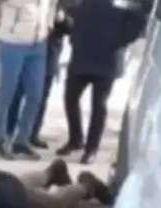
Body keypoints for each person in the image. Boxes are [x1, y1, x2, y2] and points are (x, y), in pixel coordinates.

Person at [57, 0, 150, 164]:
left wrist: (119, 40)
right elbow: (72, 10)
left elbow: (139, 19)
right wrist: (73, 33)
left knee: (99, 105)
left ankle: (91, 149)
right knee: (70, 98)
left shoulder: (124, 3)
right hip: (82, 55)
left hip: (108, 59)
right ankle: (75, 139)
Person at [0, 0, 55, 160]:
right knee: (7, 93)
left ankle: (22, 140)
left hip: (38, 43)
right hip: (12, 43)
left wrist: (48, 24)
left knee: (36, 94)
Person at [4, 2, 72, 149]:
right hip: (24, 49)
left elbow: (72, 27)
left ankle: (31, 134)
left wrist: (63, 19)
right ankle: (8, 131)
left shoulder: (64, 3)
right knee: (17, 92)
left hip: (49, 54)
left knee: (39, 98)